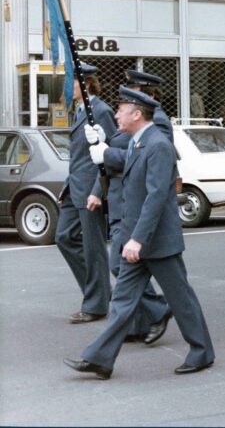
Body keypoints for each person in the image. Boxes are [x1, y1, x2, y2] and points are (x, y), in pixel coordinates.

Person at [64, 87, 215, 380]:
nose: (116, 113)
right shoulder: (138, 142)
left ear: (136, 114)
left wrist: (137, 238)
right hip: (138, 240)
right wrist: (103, 151)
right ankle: (100, 359)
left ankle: (202, 352)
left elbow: (157, 197)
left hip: (156, 242)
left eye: (121, 109)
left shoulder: (158, 145)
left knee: (181, 299)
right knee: (121, 303)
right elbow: (124, 163)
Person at [85, 70, 171, 344]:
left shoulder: (159, 125)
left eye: (136, 92)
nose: (128, 99)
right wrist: (99, 188)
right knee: (123, 269)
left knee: (122, 267)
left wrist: (106, 146)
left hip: (138, 205)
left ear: (150, 97)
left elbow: (135, 156)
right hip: (123, 200)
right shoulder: (129, 126)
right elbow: (115, 150)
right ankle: (141, 320)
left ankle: (156, 310)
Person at [55, 63, 116, 324]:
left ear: (86, 84)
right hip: (75, 188)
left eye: (73, 82)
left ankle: (96, 304)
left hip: (91, 191)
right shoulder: (80, 111)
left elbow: (110, 153)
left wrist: (97, 191)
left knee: (94, 249)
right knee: (64, 237)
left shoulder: (100, 111)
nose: (69, 88)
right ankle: (100, 291)